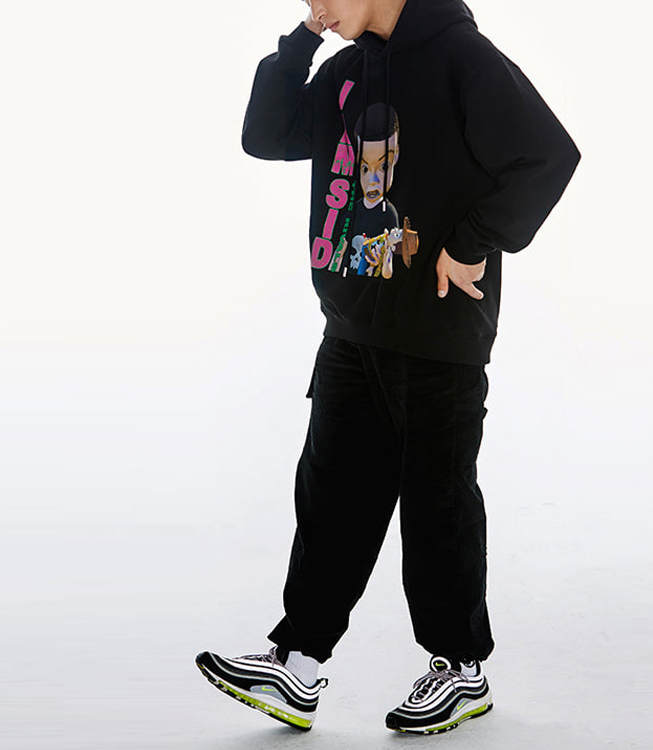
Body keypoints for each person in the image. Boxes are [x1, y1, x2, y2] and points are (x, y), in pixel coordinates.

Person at [196, 0, 580, 735]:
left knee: (437, 506)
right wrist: (300, 42)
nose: (314, 5)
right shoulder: (345, 70)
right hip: (351, 328)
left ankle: (460, 669)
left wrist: (471, 243)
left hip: (438, 333)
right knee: (331, 498)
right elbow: (266, 136)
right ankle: (298, 663)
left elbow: (546, 156)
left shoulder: (463, 59)